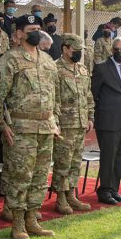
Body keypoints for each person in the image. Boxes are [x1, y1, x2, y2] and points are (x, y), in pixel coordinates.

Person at [0, 14, 60, 239]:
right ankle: (18, 224)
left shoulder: (48, 61)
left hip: (45, 127)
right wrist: (2, 125)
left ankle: (33, 220)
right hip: (21, 129)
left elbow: (55, 95)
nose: (36, 32)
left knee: (40, 176)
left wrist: (55, 121)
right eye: (31, 28)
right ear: (19, 34)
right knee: (21, 177)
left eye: (38, 29)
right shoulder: (9, 60)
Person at [51, 33, 94, 215]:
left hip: (80, 123)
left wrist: (91, 117)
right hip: (64, 125)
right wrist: (55, 122)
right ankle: (60, 198)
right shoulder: (54, 68)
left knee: (75, 162)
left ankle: (71, 195)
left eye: (80, 51)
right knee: (63, 162)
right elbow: (53, 99)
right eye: (75, 50)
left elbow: (88, 95)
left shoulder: (83, 70)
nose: (78, 54)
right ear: (65, 49)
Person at [91, 36, 121, 206]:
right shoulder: (102, 68)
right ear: (112, 50)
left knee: (119, 155)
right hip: (107, 119)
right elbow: (93, 93)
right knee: (108, 156)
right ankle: (104, 191)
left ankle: (114, 190)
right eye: (116, 49)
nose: (119, 52)